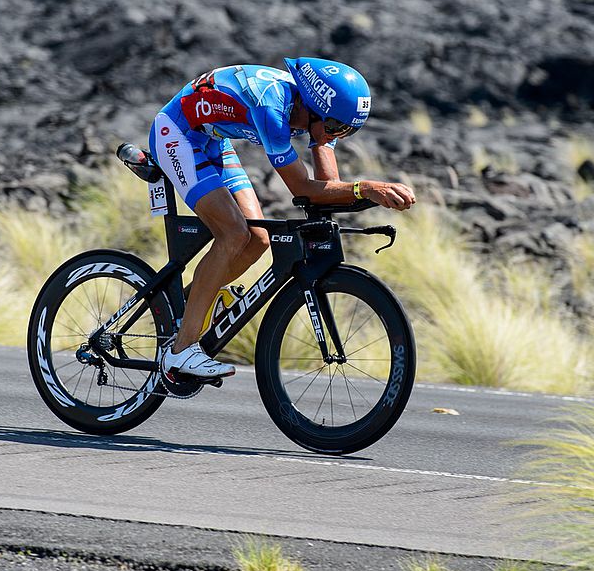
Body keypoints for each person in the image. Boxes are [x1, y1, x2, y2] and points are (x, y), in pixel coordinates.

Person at [148, 57, 416, 382]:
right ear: (314, 107)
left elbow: (325, 188)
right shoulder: (271, 106)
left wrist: (336, 160)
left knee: (257, 239)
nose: (337, 136)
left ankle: (189, 308)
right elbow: (303, 188)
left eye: (346, 131)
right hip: (177, 134)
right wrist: (365, 188)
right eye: (335, 128)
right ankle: (181, 353)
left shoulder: (316, 113)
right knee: (232, 234)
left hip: (213, 140)